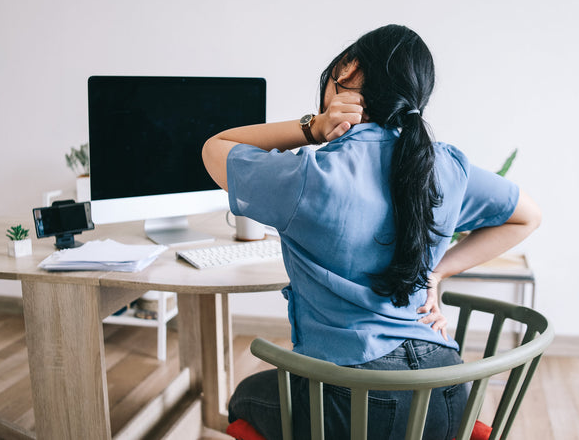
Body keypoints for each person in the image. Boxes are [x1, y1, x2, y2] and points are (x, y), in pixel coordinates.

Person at [202, 24, 541, 440]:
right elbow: (527, 216)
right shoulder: (444, 166)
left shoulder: (312, 175)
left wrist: (312, 126)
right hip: (451, 398)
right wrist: (436, 272)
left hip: (359, 408)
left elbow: (215, 146)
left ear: (347, 69)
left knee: (246, 397)